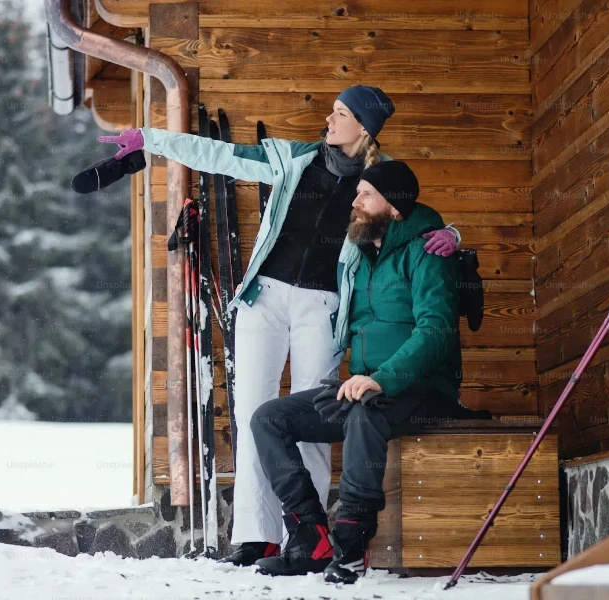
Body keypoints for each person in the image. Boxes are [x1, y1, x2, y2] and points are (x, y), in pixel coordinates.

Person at [96, 86, 461, 566]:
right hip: (263, 298)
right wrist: (150, 139)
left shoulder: (380, 179)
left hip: (325, 306)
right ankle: (258, 534)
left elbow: (412, 215)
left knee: (313, 416)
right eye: (332, 111)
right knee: (253, 411)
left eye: (341, 113)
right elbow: (220, 154)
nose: (329, 121)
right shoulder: (294, 158)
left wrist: (452, 233)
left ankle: (309, 540)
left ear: (365, 127)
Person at [248, 160, 463, 583]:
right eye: (357, 191)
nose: (355, 200)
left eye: (366, 194)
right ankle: (311, 536)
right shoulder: (360, 253)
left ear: (395, 208)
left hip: (419, 389)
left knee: (366, 413)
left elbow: (435, 330)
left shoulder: (427, 253)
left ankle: (350, 545)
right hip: (365, 387)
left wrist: (382, 378)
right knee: (269, 418)